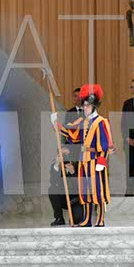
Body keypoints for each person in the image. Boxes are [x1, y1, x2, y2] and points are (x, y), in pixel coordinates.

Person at [52, 84, 114, 227]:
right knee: (85, 192)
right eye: (84, 105)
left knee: (98, 191)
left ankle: (100, 219)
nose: (84, 108)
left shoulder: (102, 122)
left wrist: (101, 161)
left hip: (95, 161)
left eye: (87, 105)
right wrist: (56, 124)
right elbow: (72, 134)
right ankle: (87, 219)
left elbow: (105, 143)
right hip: (83, 161)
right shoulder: (83, 122)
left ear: (94, 106)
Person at [48, 147, 83, 226]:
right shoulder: (55, 166)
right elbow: (53, 182)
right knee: (52, 189)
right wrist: (57, 165)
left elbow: (81, 185)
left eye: (67, 154)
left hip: (75, 199)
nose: (65, 156)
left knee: (78, 219)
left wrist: (73, 173)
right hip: (62, 197)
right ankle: (59, 218)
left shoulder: (78, 165)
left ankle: (73, 216)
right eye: (63, 154)